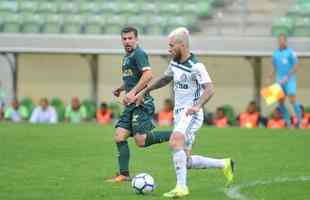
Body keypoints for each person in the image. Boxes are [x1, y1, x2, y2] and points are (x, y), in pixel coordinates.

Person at [136, 27, 234, 198]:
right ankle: (224, 164)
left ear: (182, 45)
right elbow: (166, 78)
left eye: (171, 45)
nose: (169, 49)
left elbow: (209, 89)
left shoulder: (196, 66)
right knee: (186, 161)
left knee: (174, 142)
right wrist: (145, 91)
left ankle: (181, 187)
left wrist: (197, 106)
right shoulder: (174, 63)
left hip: (191, 113)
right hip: (179, 114)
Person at [107, 26, 171, 182]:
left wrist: (133, 92)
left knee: (141, 140)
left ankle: (177, 135)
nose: (127, 41)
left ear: (136, 39)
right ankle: (124, 174)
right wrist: (121, 89)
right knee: (119, 136)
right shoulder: (127, 57)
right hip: (131, 103)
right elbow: (132, 78)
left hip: (141, 102)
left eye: (130, 38)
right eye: (124, 39)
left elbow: (148, 75)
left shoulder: (139, 54)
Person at [269, 33, 302, 128]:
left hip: (289, 79)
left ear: (285, 41)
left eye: (283, 40)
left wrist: (288, 76)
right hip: (279, 80)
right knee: (280, 102)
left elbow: (296, 65)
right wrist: (269, 77)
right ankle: (288, 122)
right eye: (279, 40)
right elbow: (274, 66)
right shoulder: (275, 53)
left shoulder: (291, 52)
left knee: (292, 99)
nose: (281, 42)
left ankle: (299, 122)